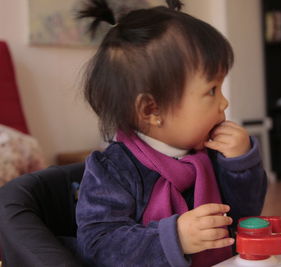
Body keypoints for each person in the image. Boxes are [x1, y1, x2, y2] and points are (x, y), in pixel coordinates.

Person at [75, 0, 267, 266]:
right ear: (151, 109)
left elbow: (246, 214)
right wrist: (174, 237)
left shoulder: (210, 152)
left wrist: (240, 164)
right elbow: (98, 245)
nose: (224, 103)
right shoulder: (112, 170)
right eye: (211, 90)